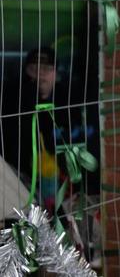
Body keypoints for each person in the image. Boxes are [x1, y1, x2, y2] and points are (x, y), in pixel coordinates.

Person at [0, 47, 62, 214]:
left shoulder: (65, 99)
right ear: (26, 72)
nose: (40, 74)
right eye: (34, 69)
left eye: (47, 69)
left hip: (61, 184)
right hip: (22, 185)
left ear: (56, 73)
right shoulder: (16, 100)